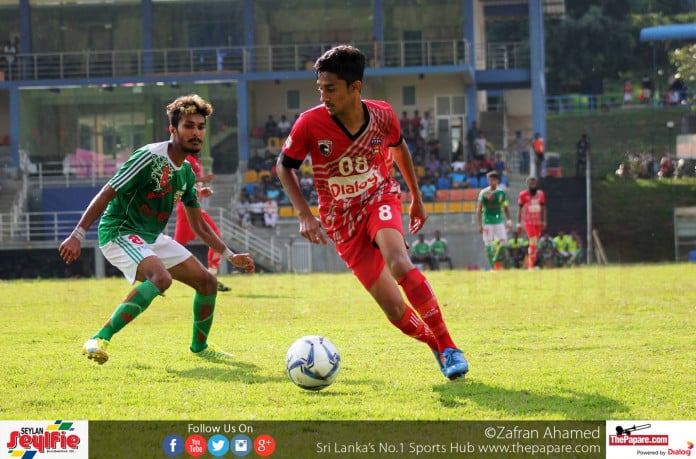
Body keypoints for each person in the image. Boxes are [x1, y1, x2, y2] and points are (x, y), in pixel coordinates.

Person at [276, 44, 468, 380]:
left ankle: (449, 345)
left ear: (355, 87)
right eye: (320, 89)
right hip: (340, 222)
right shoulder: (309, 123)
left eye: (331, 89)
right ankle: (437, 346)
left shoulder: (382, 115)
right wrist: (305, 214)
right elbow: (284, 166)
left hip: (379, 198)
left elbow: (399, 147)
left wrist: (416, 197)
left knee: (398, 261)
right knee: (394, 308)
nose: (324, 97)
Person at [58, 94, 255, 365]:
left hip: (150, 237)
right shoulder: (149, 156)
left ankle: (200, 347)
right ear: (172, 129)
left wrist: (230, 255)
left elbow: (199, 226)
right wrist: (77, 235)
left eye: (200, 127)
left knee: (207, 282)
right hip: (119, 232)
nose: (196, 133)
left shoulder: (186, 173)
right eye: (188, 126)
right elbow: (107, 191)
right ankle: (99, 338)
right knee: (161, 278)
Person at [173, 149, 231, 292]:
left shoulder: (194, 161)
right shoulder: (188, 160)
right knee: (213, 237)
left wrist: (200, 191)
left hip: (190, 206)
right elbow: (182, 179)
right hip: (188, 207)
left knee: (175, 246)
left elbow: (189, 186)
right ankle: (154, 277)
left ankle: (212, 277)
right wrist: (202, 180)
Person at [476, 171, 512, 269]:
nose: (492, 182)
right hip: (487, 221)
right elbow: (479, 209)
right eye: (490, 180)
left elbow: (505, 207)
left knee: (504, 242)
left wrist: (509, 221)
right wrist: (479, 224)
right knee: (488, 244)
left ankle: (495, 259)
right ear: (488, 181)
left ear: (497, 181)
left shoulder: (501, 193)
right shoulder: (484, 193)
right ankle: (493, 267)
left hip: (498, 221)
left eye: (494, 180)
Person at [517, 176, 547, 270]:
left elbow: (543, 208)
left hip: (538, 222)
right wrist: (518, 223)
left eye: (534, 184)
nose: (533, 185)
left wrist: (544, 220)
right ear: (528, 185)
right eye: (531, 184)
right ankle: (531, 266)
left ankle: (531, 263)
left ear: (536, 184)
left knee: (534, 244)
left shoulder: (541, 194)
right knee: (533, 241)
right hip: (528, 222)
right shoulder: (523, 195)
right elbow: (520, 209)